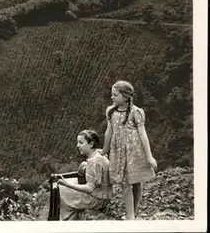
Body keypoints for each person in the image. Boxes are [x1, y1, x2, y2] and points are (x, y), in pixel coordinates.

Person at [100, 80, 157, 220]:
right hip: (118, 153)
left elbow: (143, 135)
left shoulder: (136, 112)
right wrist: (104, 149)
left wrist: (149, 157)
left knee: (137, 182)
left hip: (135, 153)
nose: (112, 97)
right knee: (125, 183)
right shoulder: (110, 111)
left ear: (125, 97)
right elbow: (109, 131)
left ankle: (134, 212)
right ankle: (130, 217)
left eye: (115, 95)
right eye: (111, 95)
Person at [56, 129, 113, 220]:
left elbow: (89, 188)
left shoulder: (93, 162)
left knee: (60, 190)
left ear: (91, 144)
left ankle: (66, 219)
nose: (77, 145)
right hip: (105, 196)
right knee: (70, 184)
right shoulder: (99, 153)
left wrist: (66, 184)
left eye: (81, 143)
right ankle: (71, 214)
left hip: (96, 199)